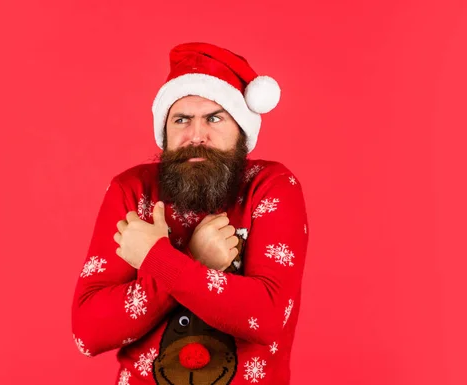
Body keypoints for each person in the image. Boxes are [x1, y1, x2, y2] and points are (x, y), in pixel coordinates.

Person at [71, 42, 310, 385]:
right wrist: (195, 259)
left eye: (214, 118)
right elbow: (89, 332)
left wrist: (157, 260)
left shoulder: (271, 187)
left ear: (242, 129)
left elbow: (267, 316)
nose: (196, 135)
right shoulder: (132, 190)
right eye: (181, 119)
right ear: (164, 133)